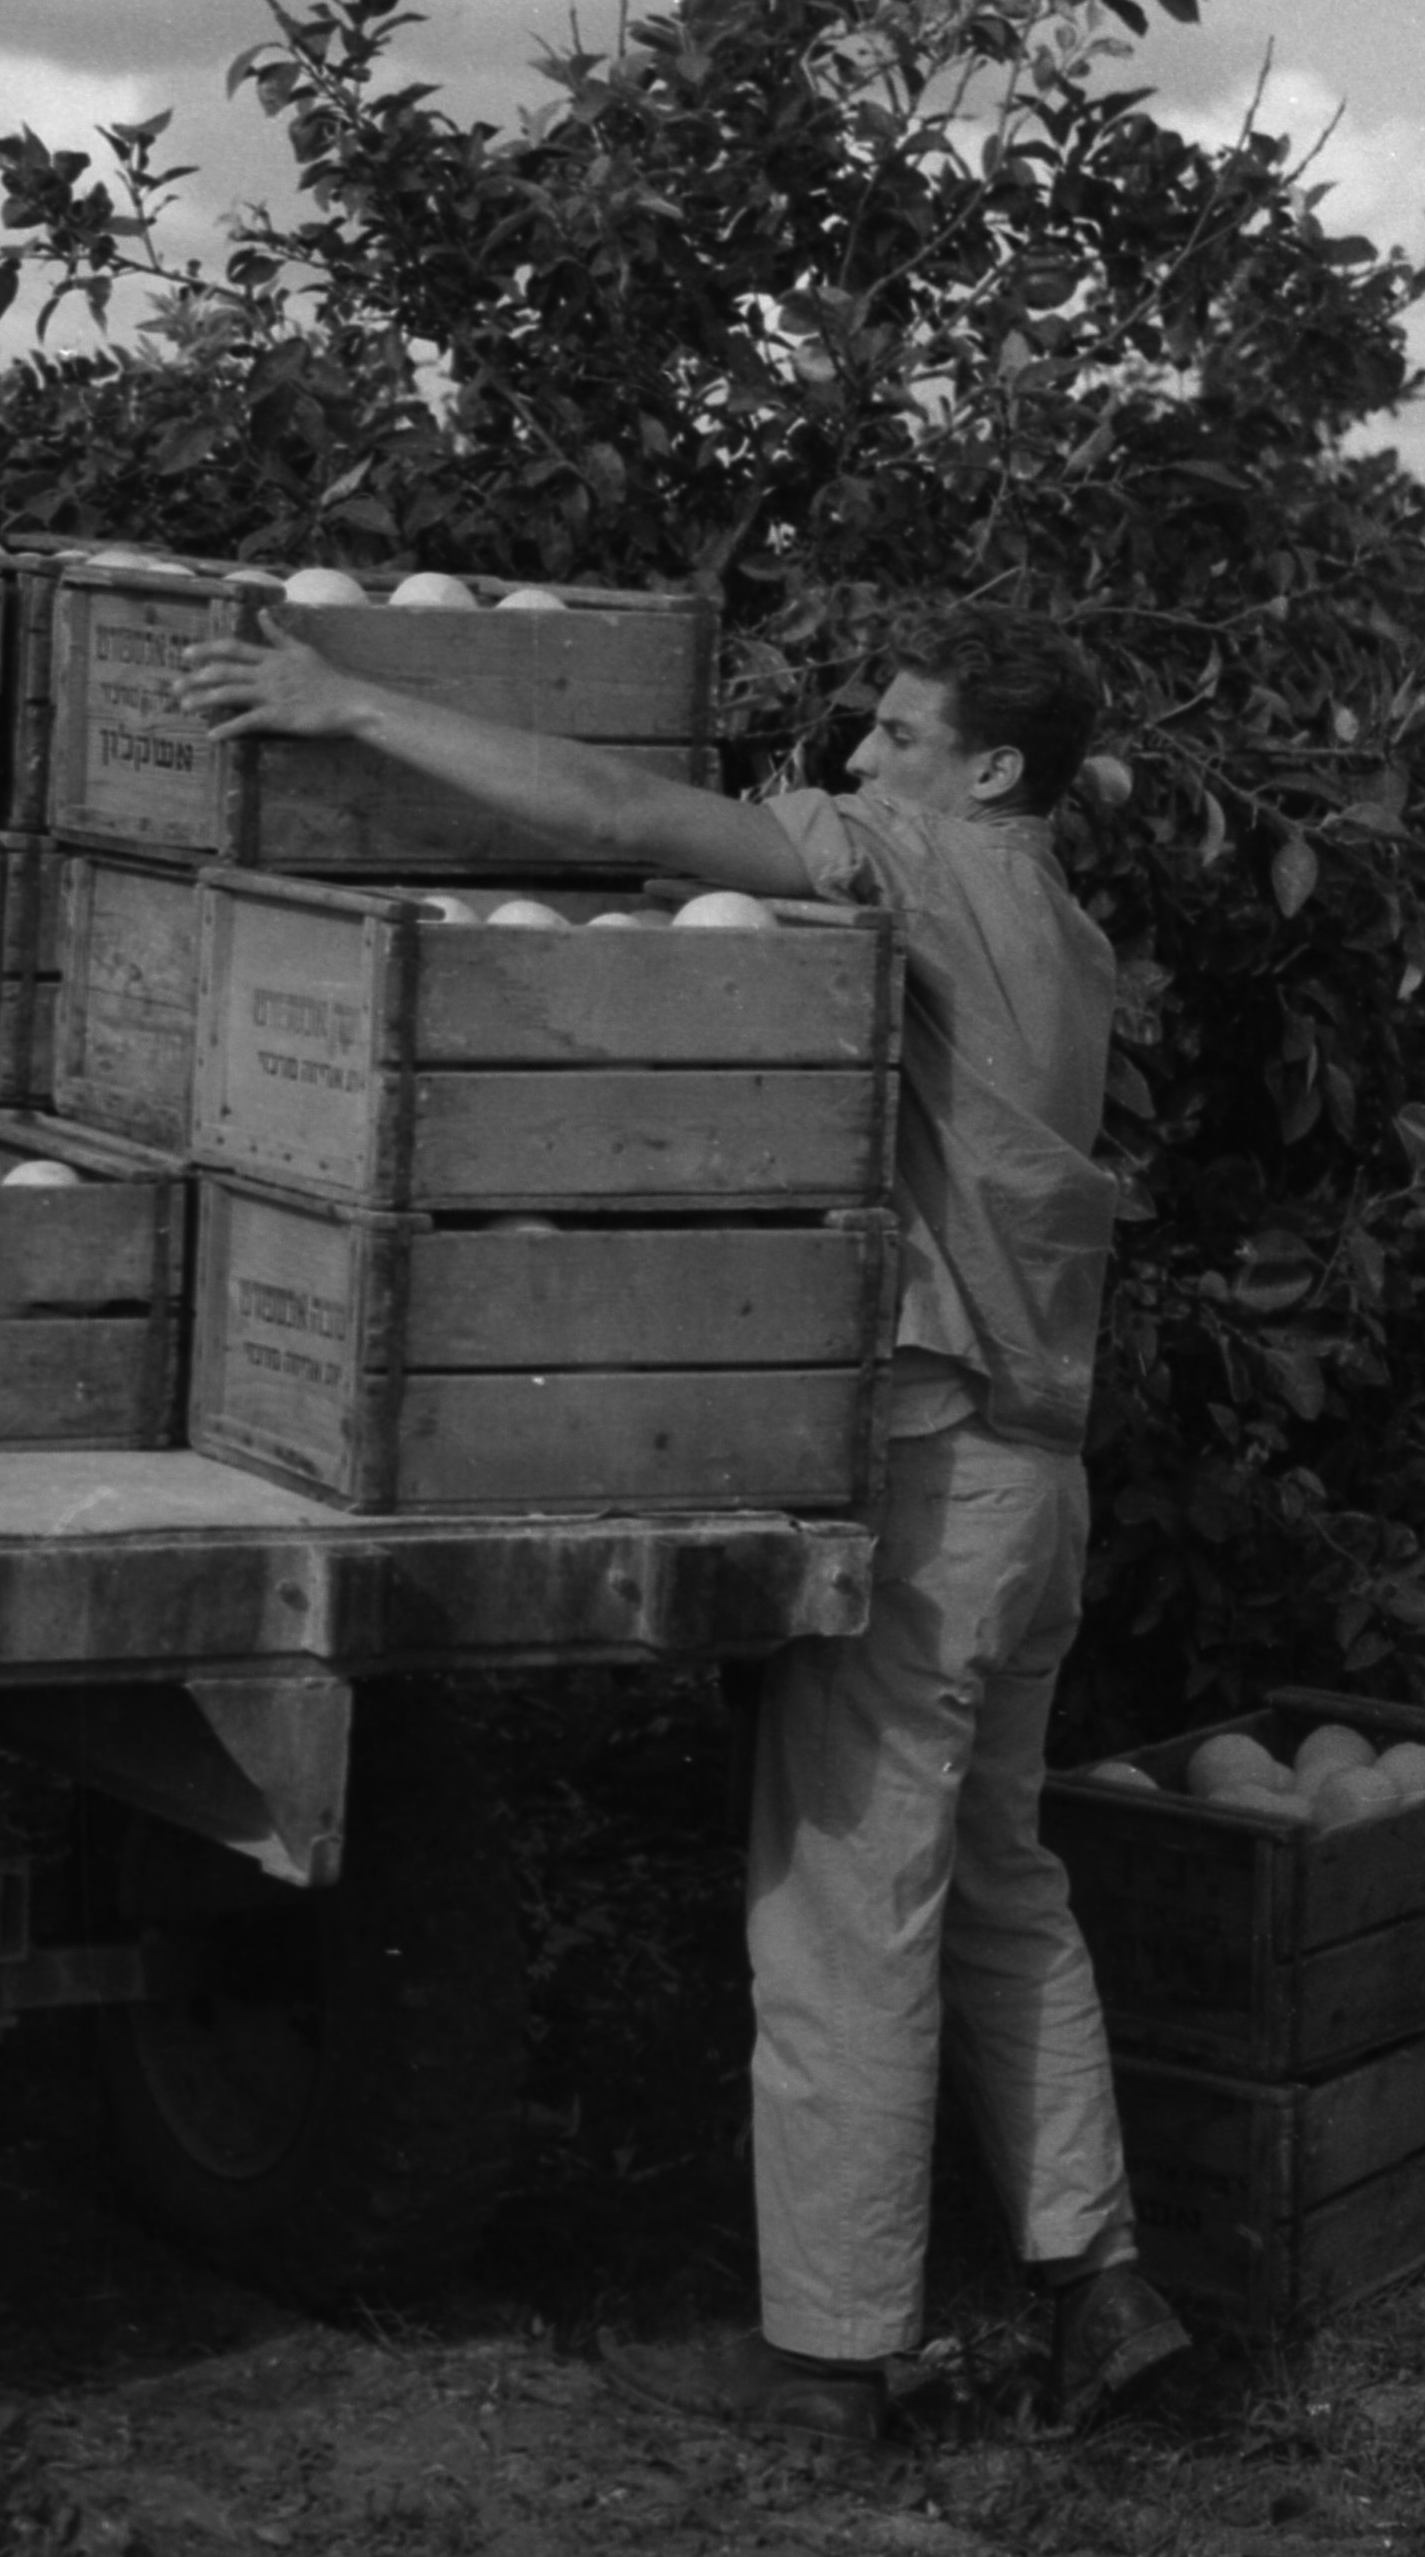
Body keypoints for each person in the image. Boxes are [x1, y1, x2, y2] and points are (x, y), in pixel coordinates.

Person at [176, 598, 1193, 2443]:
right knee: (999, 1880)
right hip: (1043, 1488)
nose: (855, 759)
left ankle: (827, 2355)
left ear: (988, 769)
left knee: (842, 1906)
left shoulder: (920, 861)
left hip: (935, 1474)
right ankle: (1097, 2274)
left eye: (895, 732)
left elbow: (620, 815)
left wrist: (348, 700)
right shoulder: (1070, 934)